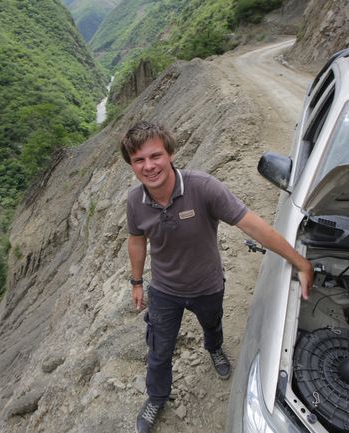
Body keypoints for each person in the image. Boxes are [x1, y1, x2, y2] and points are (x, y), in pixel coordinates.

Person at [121, 121, 314, 433]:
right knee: (159, 350)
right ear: (131, 165)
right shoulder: (135, 201)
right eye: (139, 160)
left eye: (155, 156)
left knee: (212, 324)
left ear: (170, 154)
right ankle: (157, 396)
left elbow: (251, 224)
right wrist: (136, 282)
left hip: (207, 285)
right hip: (165, 290)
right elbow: (136, 240)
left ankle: (214, 348)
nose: (149, 166)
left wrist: (300, 262)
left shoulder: (202, 187)